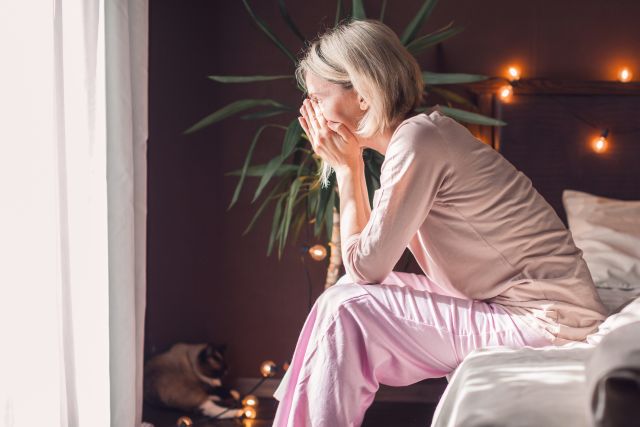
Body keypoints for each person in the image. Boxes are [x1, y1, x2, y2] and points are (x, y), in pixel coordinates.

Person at [271, 18, 607, 427]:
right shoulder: (419, 137)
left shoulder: (418, 141)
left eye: (318, 98)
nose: (312, 114)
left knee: (349, 306)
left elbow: (368, 268)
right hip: (533, 311)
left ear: (361, 95)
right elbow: (364, 266)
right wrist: (350, 166)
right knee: (344, 296)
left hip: (550, 321)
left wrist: (347, 170)